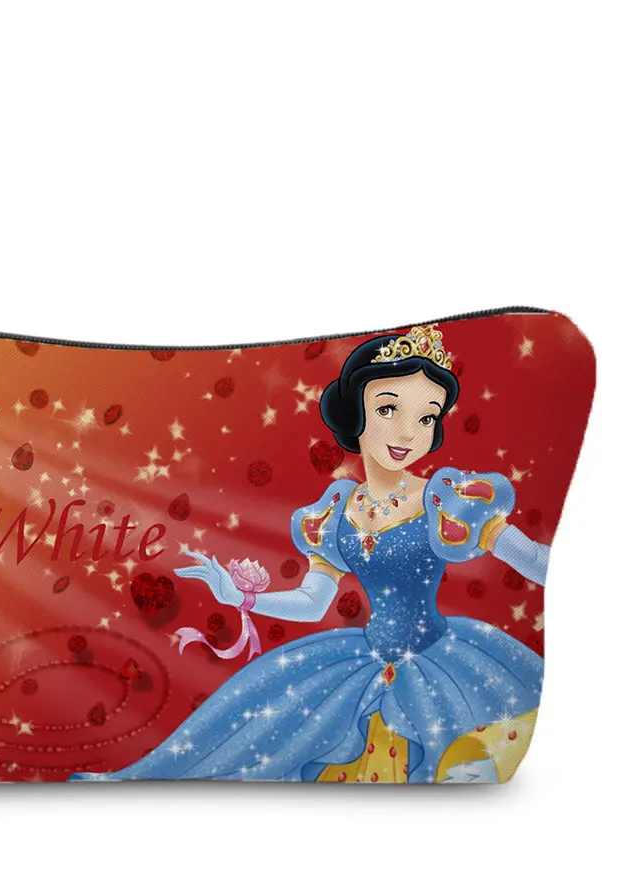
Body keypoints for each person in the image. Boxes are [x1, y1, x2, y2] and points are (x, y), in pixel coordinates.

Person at [70, 325, 548, 783]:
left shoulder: (448, 498)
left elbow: (528, 557)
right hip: (363, 661)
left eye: (426, 417)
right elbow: (313, 602)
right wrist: (241, 597)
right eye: (388, 409)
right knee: (251, 722)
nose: (407, 432)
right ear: (355, 412)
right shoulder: (338, 510)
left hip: (441, 662)